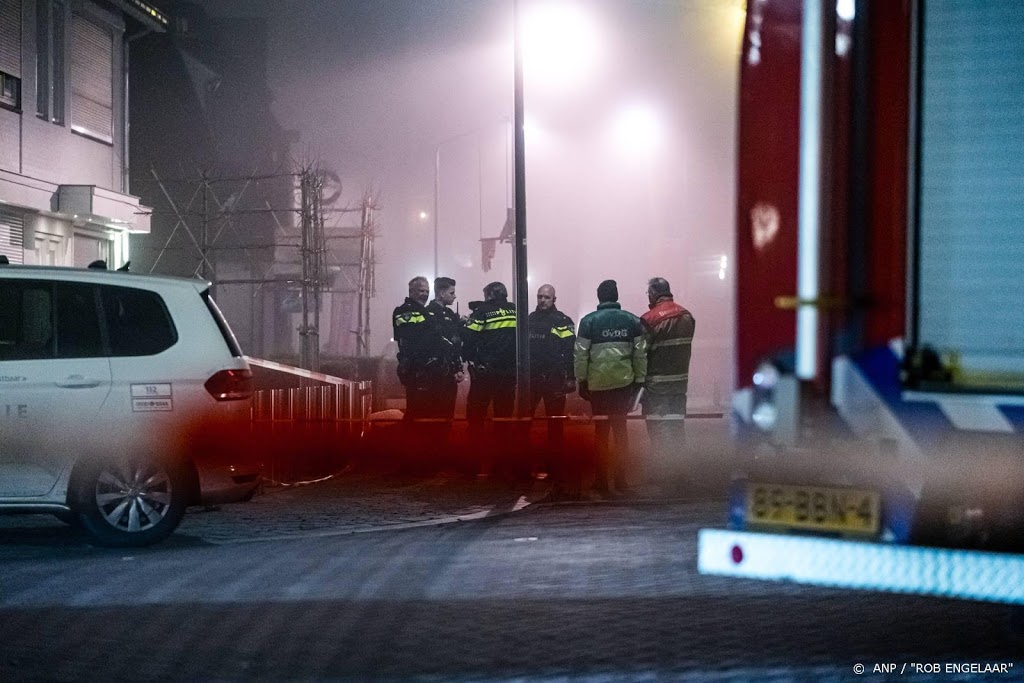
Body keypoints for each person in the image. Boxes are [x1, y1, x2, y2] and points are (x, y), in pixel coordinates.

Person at [575, 279, 647, 497]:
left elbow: (580, 354)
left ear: (599, 297)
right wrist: (639, 381)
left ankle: (601, 481)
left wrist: (582, 380)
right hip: (624, 384)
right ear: (616, 296)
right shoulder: (632, 321)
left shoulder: (588, 322)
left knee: (601, 434)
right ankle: (621, 480)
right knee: (621, 431)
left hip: (597, 387)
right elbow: (640, 353)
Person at [641, 277, 695, 488]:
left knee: (659, 429)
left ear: (653, 294)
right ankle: (680, 473)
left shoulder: (650, 319)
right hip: (680, 384)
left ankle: (664, 475)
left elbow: (641, 353)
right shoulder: (687, 316)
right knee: (677, 428)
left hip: (657, 386)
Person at [463, 281, 518, 476]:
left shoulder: (482, 312)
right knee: (503, 420)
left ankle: (473, 464)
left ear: (489, 295)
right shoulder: (516, 311)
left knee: (475, 419)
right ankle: (501, 466)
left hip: (485, 375)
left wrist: (469, 359)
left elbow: (468, 338)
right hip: (509, 375)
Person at [527, 284, 575, 478]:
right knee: (524, 422)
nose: (542, 300)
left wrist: (571, 378)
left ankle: (556, 465)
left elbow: (571, 351)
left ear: (554, 299)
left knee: (555, 425)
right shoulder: (527, 320)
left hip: (554, 380)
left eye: (546, 297)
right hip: (531, 380)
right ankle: (523, 462)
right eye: (539, 297)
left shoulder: (563, 321)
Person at [424, 277, 466, 436]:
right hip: (435, 373)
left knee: (448, 414)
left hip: (450, 374)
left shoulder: (451, 315)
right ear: (441, 293)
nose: (455, 296)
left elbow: (456, 343)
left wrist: (458, 368)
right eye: (452, 292)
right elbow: (438, 344)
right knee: (435, 415)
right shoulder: (429, 314)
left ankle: (443, 449)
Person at [392, 276, 433, 423]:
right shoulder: (404, 311)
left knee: (427, 413)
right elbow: (412, 337)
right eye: (421, 291)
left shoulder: (424, 312)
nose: (425, 294)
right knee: (416, 411)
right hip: (414, 368)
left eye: (427, 291)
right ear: (411, 291)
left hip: (426, 368)